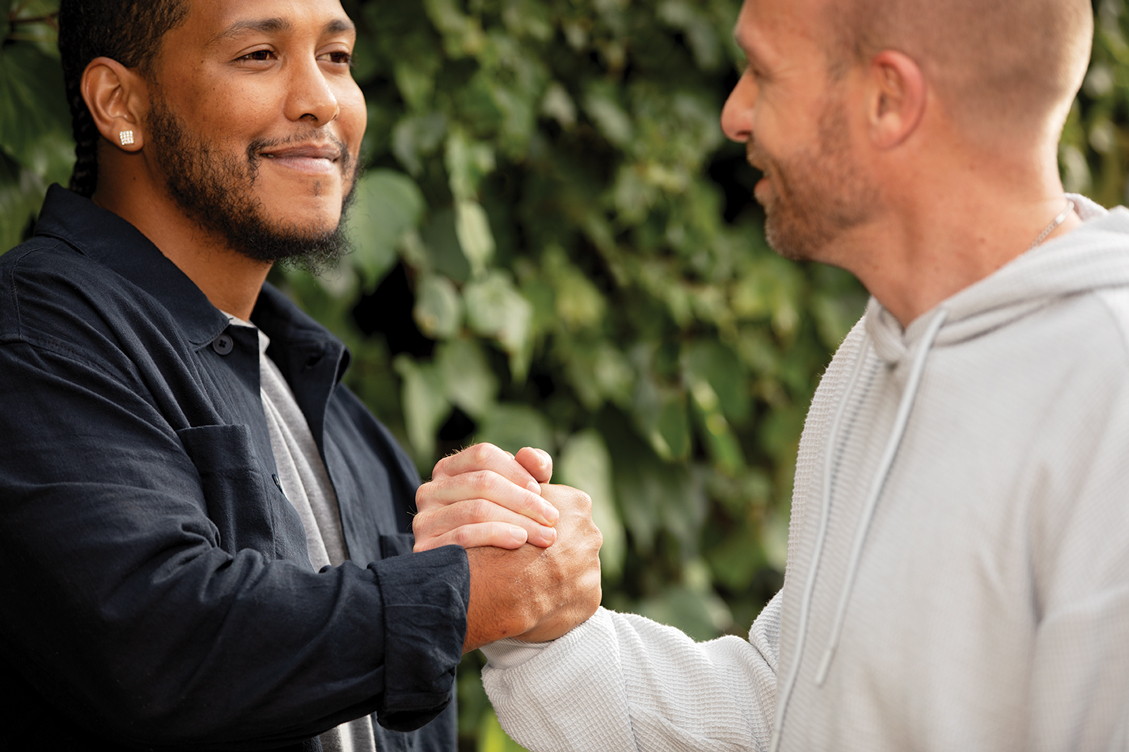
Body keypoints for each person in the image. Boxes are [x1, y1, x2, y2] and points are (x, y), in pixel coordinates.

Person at [415, 0, 1129, 748]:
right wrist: (545, 628)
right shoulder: (878, 351)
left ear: (888, 100)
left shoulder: (1106, 398)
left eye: (762, 72)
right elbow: (790, 716)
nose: (734, 114)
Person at [0, 1, 601, 750]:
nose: (321, 99)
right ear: (120, 103)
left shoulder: (342, 421)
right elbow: (158, 642)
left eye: (337, 58)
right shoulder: (34, 336)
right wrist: (468, 592)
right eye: (259, 54)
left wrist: (511, 545)